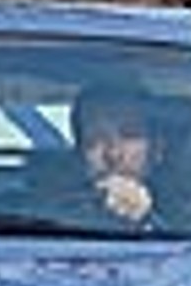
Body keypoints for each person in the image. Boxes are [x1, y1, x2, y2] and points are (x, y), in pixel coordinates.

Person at [69, 84, 168, 226]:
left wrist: (146, 221)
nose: (113, 154)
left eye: (129, 135)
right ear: (79, 153)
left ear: (157, 149)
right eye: (96, 138)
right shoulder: (47, 215)